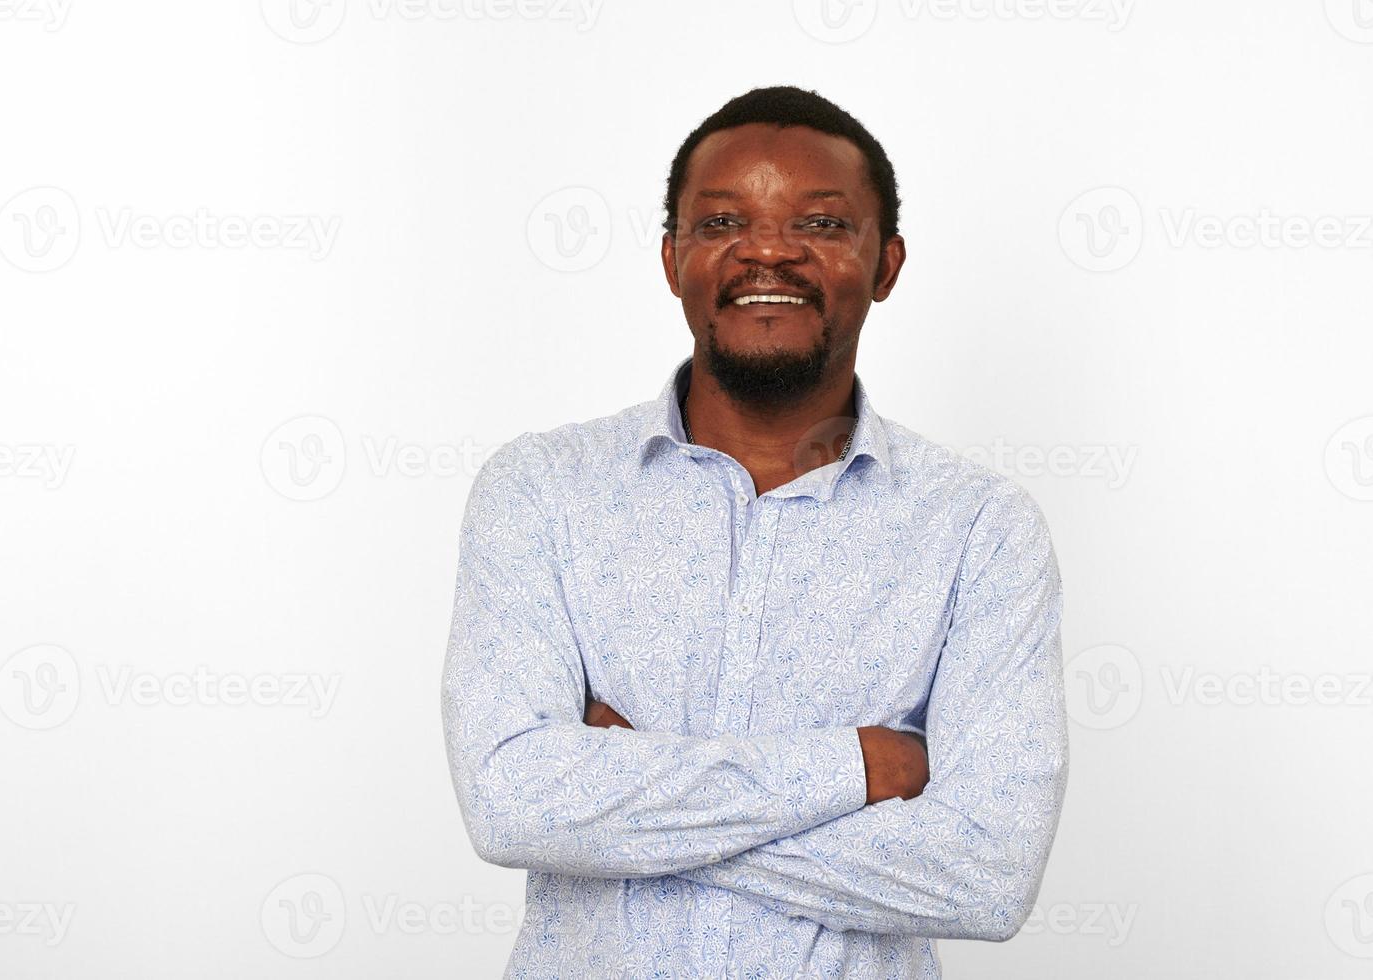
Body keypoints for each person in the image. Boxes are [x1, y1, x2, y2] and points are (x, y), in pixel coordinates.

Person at [440, 84, 1069, 979]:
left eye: (820, 225)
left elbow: (988, 873)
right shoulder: (540, 493)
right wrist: (856, 770)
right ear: (672, 259)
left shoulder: (980, 531)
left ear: (886, 264)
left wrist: (630, 800)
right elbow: (511, 801)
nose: (767, 249)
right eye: (721, 221)